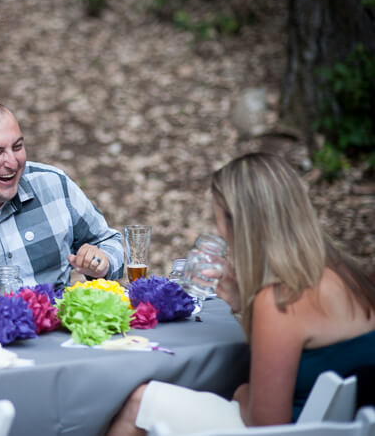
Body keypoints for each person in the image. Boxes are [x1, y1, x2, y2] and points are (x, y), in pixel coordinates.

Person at [107, 152, 375, 435]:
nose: (219, 232)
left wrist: (240, 392)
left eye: (218, 219)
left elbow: (266, 423)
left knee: (139, 404)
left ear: (241, 224)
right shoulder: (345, 273)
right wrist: (244, 302)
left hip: (299, 429)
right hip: (337, 423)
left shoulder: (280, 299)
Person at [0, 100, 125, 288]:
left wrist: (102, 263)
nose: (12, 163)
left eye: (17, 147)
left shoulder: (53, 185)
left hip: (55, 315)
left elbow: (108, 241)